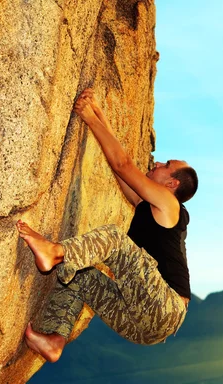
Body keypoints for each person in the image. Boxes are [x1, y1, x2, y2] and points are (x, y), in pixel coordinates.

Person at [16, 88, 198, 362]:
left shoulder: (170, 204)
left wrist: (89, 118)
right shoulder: (147, 206)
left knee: (114, 238)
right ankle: (55, 340)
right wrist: (98, 114)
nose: (158, 162)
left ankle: (54, 252)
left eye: (166, 164)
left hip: (165, 305)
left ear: (172, 184)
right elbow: (118, 167)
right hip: (144, 326)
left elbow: (124, 164)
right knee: (78, 273)